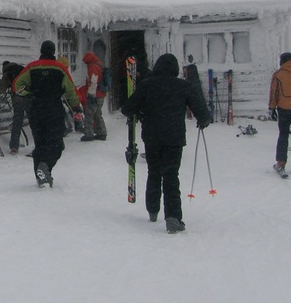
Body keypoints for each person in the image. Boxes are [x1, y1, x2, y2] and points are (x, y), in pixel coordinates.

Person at [121, 53, 211, 234]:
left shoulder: (147, 85)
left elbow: (127, 109)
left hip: (152, 137)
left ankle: (152, 210)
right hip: (174, 138)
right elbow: (202, 111)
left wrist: (141, 110)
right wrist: (203, 120)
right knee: (171, 176)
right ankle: (173, 217)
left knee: (153, 172)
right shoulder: (183, 86)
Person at [14, 41, 80, 188]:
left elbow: (17, 86)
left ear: (41, 50)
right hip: (53, 109)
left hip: (36, 109)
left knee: (40, 144)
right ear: (53, 51)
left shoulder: (31, 67)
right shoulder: (60, 68)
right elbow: (70, 90)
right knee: (56, 144)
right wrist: (76, 106)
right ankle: (46, 166)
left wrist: (30, 93)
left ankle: (41, 176)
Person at [0, 60, 27, 154]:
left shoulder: (7, 73)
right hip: (29, 96)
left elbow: (1, 89)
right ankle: (40, 144)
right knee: (34, 122)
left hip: (18, 98)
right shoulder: (22, 69)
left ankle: (14, 146)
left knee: (17, 122)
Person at [79, 52, 108, 142]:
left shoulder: (93, 67)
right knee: (97, 114)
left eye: (86, 62)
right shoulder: (99, 64)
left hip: (95, 95)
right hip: (100, 94)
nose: (86, 64)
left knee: (89, 114)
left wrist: (91, 95)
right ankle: (102, 133)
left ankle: (89, 134)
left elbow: (93, 81)